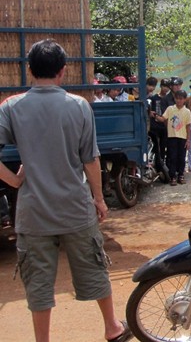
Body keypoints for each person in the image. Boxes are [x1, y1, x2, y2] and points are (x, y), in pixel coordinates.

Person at [0, 39, 131, 342]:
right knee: (94, 265)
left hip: (33, 213)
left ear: (30, 70)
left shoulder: (11, 107)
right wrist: (99, 199)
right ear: (63, 71)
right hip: (75, 207)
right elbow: (91, 159)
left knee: (38, 281)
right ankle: (112, 327)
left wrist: (15, 181)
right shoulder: (78, 105)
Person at [157, 89, 191, 185]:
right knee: (172, 157)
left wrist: (188, 140)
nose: (179, 101)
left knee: (182, 157)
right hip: (172, 137)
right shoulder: (170, 109)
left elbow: (188, 126)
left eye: (181, 99)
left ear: (185, 99)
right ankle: (172, 176)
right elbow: (163, 118)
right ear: (174, 99)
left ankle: (181, 175)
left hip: (183, 137)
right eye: (177, 98)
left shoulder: (187, 111)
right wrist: (155, 116)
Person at [148, 77, 171, 182]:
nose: (166, 88)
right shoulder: (153, 98)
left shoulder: (169, 99)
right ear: (160, 86)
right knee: (155, 147)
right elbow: (151, 111)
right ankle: (157, 166)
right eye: (164, 86)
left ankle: (163, 168)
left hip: (165, 127)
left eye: (168, 87)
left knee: (163, 147)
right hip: (155, 126)